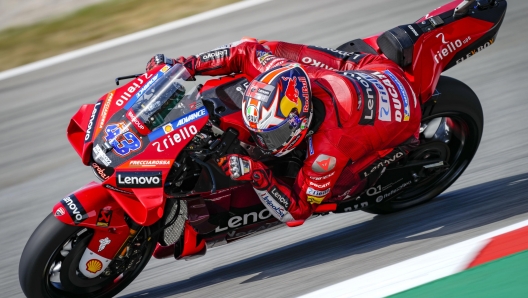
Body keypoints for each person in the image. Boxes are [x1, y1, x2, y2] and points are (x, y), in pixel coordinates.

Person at [146, 37, 421, 226]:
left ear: (300, 123)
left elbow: (298, 212)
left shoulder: (328, 152)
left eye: (272, 136)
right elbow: (243, 51)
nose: (261, 142)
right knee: (269, 47)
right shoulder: (283, 72)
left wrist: (258, 174)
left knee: (334, 190)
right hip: (368, 70)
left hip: (403, 121)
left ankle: (360, 184)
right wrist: (182, 67)